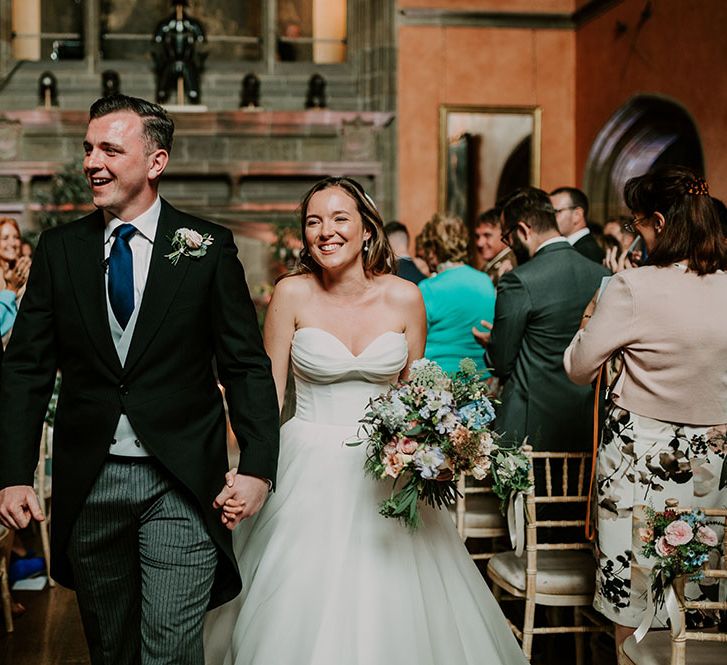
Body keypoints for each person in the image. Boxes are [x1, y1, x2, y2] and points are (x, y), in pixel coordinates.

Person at [0, 94, 279, 665]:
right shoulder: (60, 251)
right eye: (87, 148)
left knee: (170, 650)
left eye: (109, 149)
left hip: (181, 480)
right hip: (92, 481)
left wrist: (257, 468)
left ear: (156, 162)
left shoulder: (207, 247)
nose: (91, 162)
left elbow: (245, 364)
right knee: (113, 649)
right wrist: (12, 473)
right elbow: (26, 369)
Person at [204, 176, 529, 665]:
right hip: (304, 462)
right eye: (314, 221)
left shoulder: (405, 298)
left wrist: (435, 451)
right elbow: (266, 396)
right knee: (296, 597)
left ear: (366, 231)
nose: (325, 231)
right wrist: (252, 467)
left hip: (385, 468)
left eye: (339, 219)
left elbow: (415, 396)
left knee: (399, 602)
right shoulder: (291, 294)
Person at [563, 166, 727, 650]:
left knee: (634, 589)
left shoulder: (632, 287)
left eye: (639, 224)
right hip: (715, 460)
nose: (639, 234)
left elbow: (579, 368)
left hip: (643, 458)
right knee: (702, 581)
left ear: (659, 220)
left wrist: (593, 313)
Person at [477, 187, 608, 450]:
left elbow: (501, 363)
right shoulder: (601, 273)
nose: (508, 244)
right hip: (585, 421)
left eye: (508, 236)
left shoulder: (519, 280)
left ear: (524, 231)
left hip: (530, 426)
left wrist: (493, 342)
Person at [418, 213, 496, 375]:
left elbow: (414, 342)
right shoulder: (485, 281)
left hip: (439, 384)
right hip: (481, 380)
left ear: (433, 249)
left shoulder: (428, 288)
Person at [550, 186, 605, 263]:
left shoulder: (587, 252)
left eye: (555, 212)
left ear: (577, 215)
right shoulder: (572, 248)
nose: (549, 218)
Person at [0, 217, 31, 342]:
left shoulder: (29, 273)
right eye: (5, 238)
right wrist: (11, 290)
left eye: (16, 237)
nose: (12, 243)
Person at [473, 207, 517, 286]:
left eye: (487, 235)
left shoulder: (509, 265)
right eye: (477, 236)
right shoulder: (491, 266)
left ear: (504, 234)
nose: (479, 243)